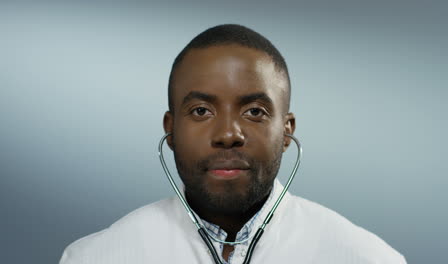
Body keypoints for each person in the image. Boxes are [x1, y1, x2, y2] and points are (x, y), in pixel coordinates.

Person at [59, 24, 406, 264]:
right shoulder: (97, 257)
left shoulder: (368, 258)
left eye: (254, 111)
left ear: (286, 132)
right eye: (201, 110)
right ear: (171, 132)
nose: (228, 134)